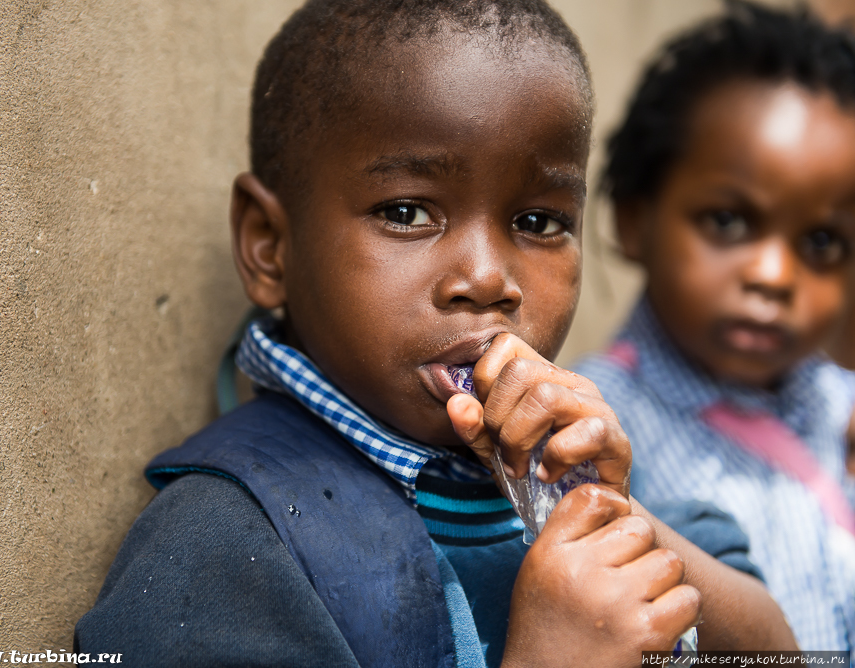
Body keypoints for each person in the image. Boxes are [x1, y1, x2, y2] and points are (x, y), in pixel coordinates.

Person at [74, 1, 795, 664]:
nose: (486, 279)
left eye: (537, 223)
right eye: (408, 212)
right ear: (269, 243)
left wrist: (611, 516)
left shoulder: (610, 493)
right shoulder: (224, 551)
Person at [573, 0, 855, 652]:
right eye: (728, 222)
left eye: (821, 242)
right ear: (635, 217)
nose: (774, 275)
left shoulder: (836, 410)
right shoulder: (594, 428)